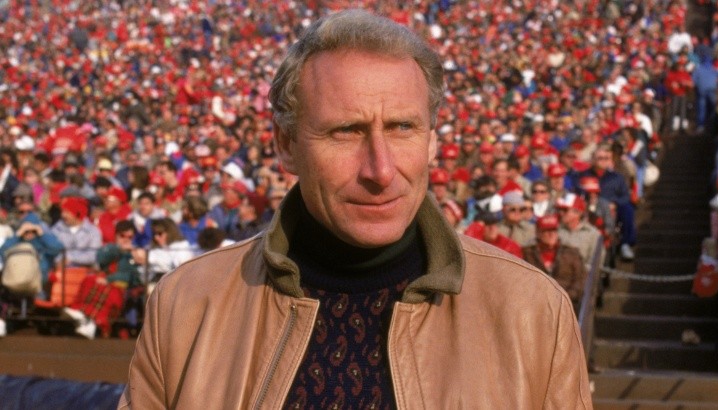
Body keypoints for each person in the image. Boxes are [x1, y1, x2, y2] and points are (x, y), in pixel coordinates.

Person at [121, 10, 591, 408]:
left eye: (403, 127)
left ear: (432, 142)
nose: (380, 170)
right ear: (285, 146)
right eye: (345, 131)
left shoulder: (533, 313)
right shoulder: (185, 306)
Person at [522, 214, 587, 310]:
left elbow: (580, 281)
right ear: (538, 233)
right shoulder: (527, 253)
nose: (551, 234)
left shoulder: (572, 253)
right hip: (535, 305)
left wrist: (564, 298)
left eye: (553, 230)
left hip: (567, 305)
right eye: (546, 231)